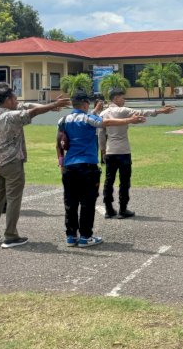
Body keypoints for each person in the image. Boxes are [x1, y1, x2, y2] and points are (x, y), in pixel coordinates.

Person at [0, 86, 70, 249]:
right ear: (7, 100)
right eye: (15, 99)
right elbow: (33, 112)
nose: (17, 102)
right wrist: (52, 105)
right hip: (12, 162)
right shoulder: (11, 116)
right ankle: (10, 236)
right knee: (13, 198)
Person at [56, 90, 141, 248]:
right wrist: (130, 119)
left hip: (69, 165)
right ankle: (86, 236)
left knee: (70, 202)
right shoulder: (89, 118)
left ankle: (71, 236)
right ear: (84, 103)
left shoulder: (63, 120)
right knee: (87, 202)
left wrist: (61, 162)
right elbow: (105, 123)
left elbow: (59, 142)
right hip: (87, 165)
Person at [98, 88, 176, 218]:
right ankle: (123, 209)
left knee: (109, 180)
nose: (124, 100)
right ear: (116, 98)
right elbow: (142, 112)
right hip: (123, 150)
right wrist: (160, 111)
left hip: (110, 150)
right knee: (124, 181)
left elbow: (101, 134)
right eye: (122, 97)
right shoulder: (123, 111)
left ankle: (109, 209)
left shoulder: (103, 113)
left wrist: (103, 151)